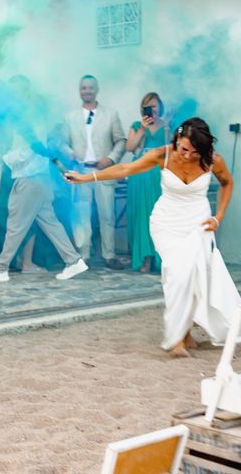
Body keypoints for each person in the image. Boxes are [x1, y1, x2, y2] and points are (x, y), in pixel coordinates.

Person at [65, 118, 239, 358]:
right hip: (166, 223)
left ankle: (185, 333)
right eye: (184, 149)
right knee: (177, 273)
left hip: (198, 223)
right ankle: (176, 339)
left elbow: (228, 182)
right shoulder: (162, 155)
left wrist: (218, 217)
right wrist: (87, 178)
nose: (188, 156)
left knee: (195, 275)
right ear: (177, 139)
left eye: (194, 152)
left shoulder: (213, 159)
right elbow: (126, 169)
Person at [0, 131, 88, 283]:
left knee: (16, 226)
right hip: (40, 180)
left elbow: (26, 151)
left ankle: (0, 269)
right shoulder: (34, 119)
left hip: (29, 180)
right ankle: (73, 261)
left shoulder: (28, 120)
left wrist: (0, 158)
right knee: (51, 224)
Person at [61, 75, 126, 269]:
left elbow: (121, 141)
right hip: (81, 172)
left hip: (103, 171)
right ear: (79, 91)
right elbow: (62, 143)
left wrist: (111, 159)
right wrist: (70, 153)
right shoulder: (70, 117)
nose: (86, 91)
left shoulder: (111, 114)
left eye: (90, 88)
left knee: (107, 214)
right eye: (83, 88)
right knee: (81, 214)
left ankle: (109, 254)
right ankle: (84, 255)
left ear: (96, 90)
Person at [125, 92, 168, 273]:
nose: (152, 109)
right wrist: (142, 128)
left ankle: (160, 258)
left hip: (157, 175)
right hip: (140, 173)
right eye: (148, 106)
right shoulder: (136, 126)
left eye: (155, 106)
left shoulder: (166, 127)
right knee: (141, 215)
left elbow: (171, 151)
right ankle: (145, 258)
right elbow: (129, 148)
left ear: (160, 107)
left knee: (157, 215)